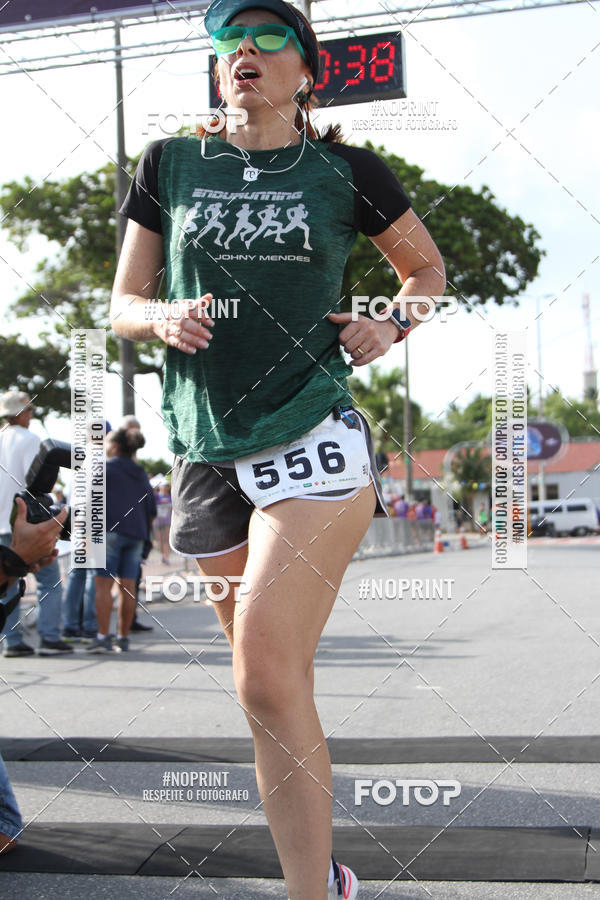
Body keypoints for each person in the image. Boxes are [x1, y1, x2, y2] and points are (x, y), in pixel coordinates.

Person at [110, 1, 445, 895]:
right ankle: (326, 875)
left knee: (262, 665)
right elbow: (123, 305)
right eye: (227, 42)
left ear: (307, 71)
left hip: (311, 427)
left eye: (266, 40)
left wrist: (391, 320)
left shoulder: (348, 171)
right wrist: (160, 315)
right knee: (267, 691)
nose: (242, 54)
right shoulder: (170, 162)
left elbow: (427, 271)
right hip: (203, 449)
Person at [0, 390, 73, 657]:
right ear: (19, 413)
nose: (31, 415)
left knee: (6, 579)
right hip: (27, 524)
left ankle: (12, 641)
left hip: (1, 525)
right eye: (28, 411)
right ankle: (50, 637)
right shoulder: (30, 439)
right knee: (49, 581)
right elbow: (39, 482)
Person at [86, 428, 156, 653]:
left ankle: (102, 636)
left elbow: (92, 505)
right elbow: (151, 509)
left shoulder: (105, 469)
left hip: (107, 532)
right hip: (136, 533)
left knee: (103, 586)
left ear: (114, 447)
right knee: (128, 587)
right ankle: (123, 637)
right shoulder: (141, 472)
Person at [154, 480, 172, 564]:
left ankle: (166, 557)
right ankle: (163, 555)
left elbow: (173, 509)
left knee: (166, 540)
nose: (165, 487)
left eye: (166, 486)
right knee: (159, 540)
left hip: (167, 521)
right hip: (157, 521)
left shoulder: (170, 497)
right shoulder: (156, 496)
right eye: (163, 486)